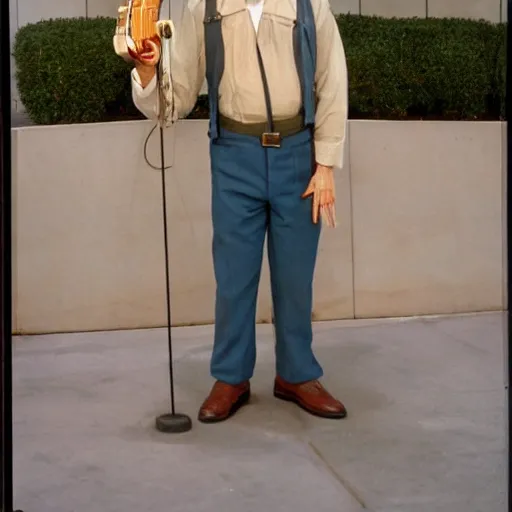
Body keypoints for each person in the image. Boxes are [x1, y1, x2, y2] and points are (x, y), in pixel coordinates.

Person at [130, 0, 349, 423]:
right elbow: (176, 98)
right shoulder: (205, 9)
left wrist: (325, 165)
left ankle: (296, 375)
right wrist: (146, 72)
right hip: (233, 155)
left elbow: (333, 81)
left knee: (295, 276)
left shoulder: (309, 5)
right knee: (233, 276)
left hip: (298, 157)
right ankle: (231, 377)